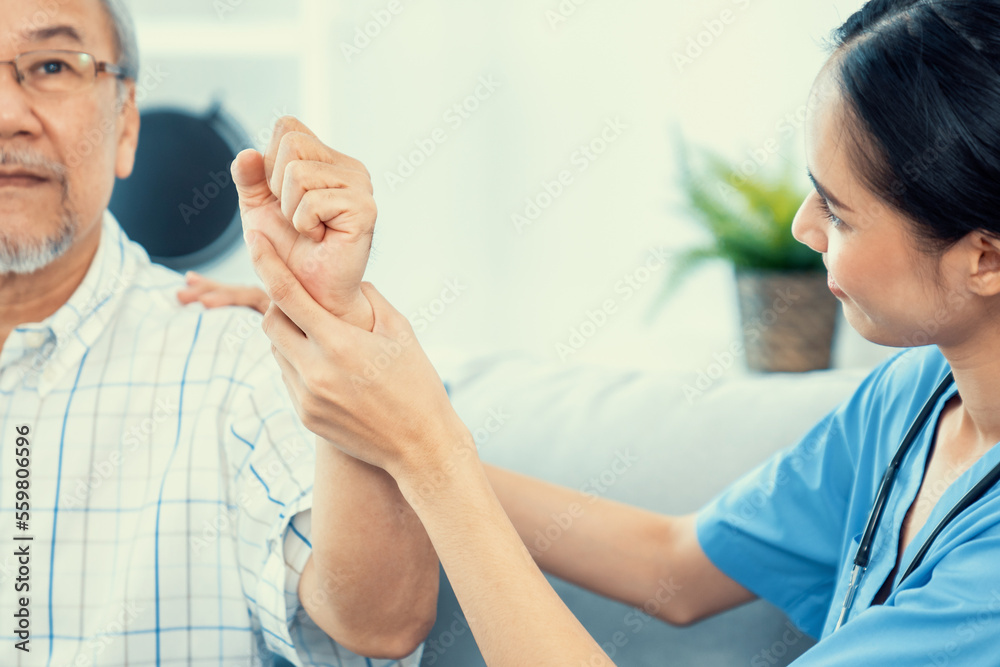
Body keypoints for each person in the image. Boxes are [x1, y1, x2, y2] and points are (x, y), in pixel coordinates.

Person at [188, 0, 1000, 664]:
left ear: (984, 258)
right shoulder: (918, 395)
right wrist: (375, 407)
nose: (801, 224)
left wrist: (425, 452)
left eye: (839, 209)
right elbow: (672, 567)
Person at [0, 0, 439, 665]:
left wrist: (331, 322)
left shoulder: (243, 362)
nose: (7, 114)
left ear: (125, 128)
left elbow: (381, 622)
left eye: (53, 64)